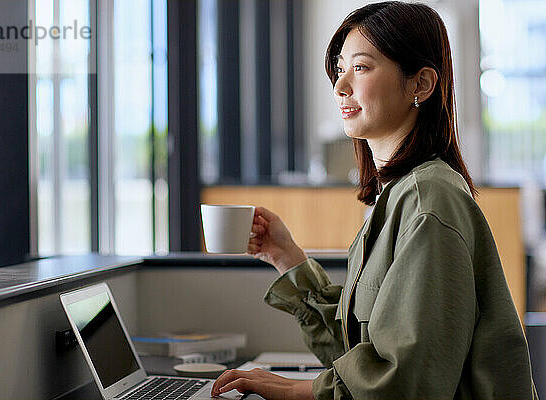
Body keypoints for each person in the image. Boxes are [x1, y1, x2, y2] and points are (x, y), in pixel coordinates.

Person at [211, 1, 539, 399]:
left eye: (361, 67)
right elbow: (363, 353)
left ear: (420, 84)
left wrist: (294, 390)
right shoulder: (399, 192)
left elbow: (404, 383)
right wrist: (287, 258)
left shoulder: (428, 200)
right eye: (339, 69)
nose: (340, 86)